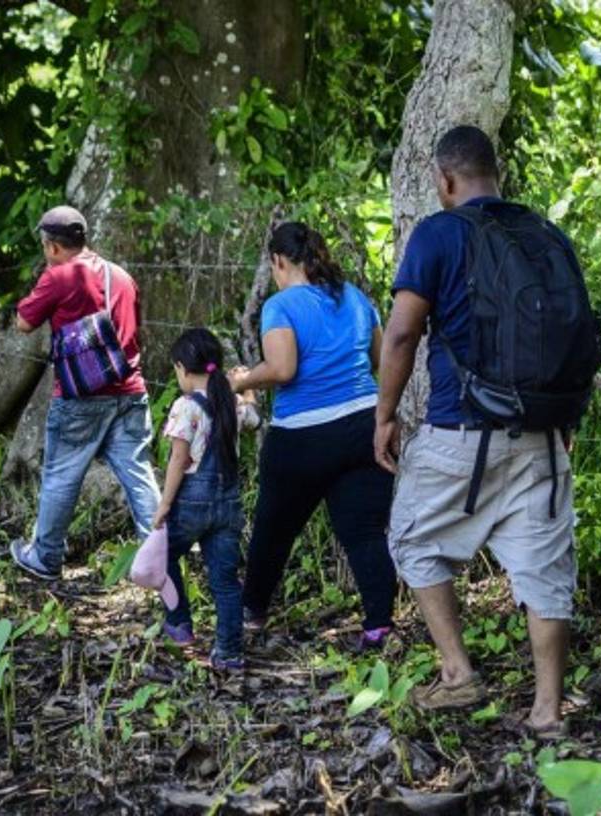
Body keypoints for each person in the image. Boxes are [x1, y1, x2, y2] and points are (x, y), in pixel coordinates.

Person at [375, 125, 582, 735]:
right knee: (545, 571)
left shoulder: (438, 233)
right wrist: (565, 417)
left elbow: (402, 334)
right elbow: (573, 335)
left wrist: (384, 415)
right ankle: (547, 711)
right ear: (497, 173)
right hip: (542, 433)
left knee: (411, 538)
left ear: (445, 180)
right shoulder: (544, 233)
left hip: (459, 432)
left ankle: (458, 672)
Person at [229, 222, 398, 651]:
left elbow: (282, 369)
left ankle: (250, 614)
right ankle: (379, 626)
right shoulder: (355, 297)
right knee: (365, 532)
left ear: (278, 261)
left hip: (301, 437)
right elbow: (379, 358)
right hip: (363, 426)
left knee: (273, 529)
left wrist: (241, 380)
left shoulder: (280, 305)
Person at [10, 205, 161, 581]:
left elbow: (24, 322)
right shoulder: (121, 275)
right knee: (139, 474)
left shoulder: (58, 276)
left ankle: (45, 557)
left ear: (52, 246)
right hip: (130, 390)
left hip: (80, 395)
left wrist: (46, 282)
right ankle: (160, 555)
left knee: (61, 475)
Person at [154, 328, 260, 671]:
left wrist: (165, 504)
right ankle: (229, 652)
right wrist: (248, 389)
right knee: (225, 582)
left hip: (191, 504)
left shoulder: (185, 406)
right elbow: (254, 420)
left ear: (183, 368)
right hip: (228, 505)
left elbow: (178, 459)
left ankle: (179, 623)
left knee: (163, 557)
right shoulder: (231, 403)